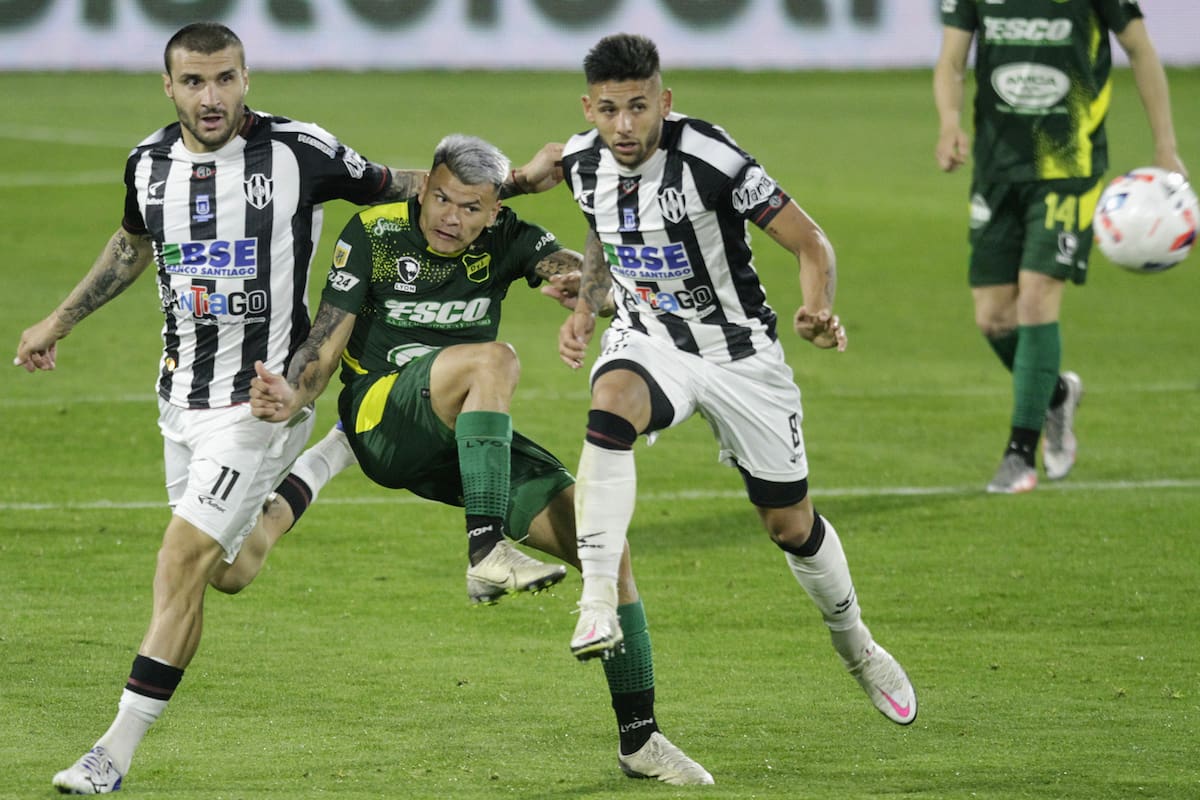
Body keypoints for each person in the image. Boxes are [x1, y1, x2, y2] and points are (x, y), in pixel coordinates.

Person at [12, 23, 562, 795]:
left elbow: (412, 186)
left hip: (261, 400)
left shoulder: (298, 150)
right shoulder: (147, 165)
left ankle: (112, 753)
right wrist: (58, 321)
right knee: (225, 573)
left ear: (247, 78)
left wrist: (522, 184)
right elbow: (134, 245)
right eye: (196, 82)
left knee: (179, 561)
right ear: (167, 87)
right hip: (180, 398)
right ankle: (331, 456)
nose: (213, 97)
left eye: (227, 79)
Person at [248, 133, 713, 785]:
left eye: (470, 208)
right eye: (440, 197)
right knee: (496, 358)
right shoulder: (374, 234)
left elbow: (587, 283)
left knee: (605, 546)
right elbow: (324, 345)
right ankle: (486, 550)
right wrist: (291, 393)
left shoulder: (509, 238)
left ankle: (640, 739)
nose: (449, 217)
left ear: (494, 212)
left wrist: (587, 288)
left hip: (463, 435)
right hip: (383, 416)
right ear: (427, 184)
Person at [556, 33, 917, 734]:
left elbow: (809, 241)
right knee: (612, 402)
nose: (625, 125)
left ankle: (857, 646)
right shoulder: (577, 160)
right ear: (589, 108)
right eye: (609, 109)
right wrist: (584, 304)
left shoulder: (711, 159)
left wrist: (817, 308)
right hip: (652, 338)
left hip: (741, 356)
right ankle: (597, 600)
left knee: (791, 526)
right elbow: (586, 220)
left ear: (665, 100)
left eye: (638, 106)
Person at [933, 0, 1187, 493]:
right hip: (996, 167)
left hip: (1069, 165)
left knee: (1037, 294)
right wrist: (948, 121)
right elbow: (950, 60)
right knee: (993, 318)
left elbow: (1140, 48)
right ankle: (1054, 395)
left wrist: (1165, 147)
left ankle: (1019, 455)